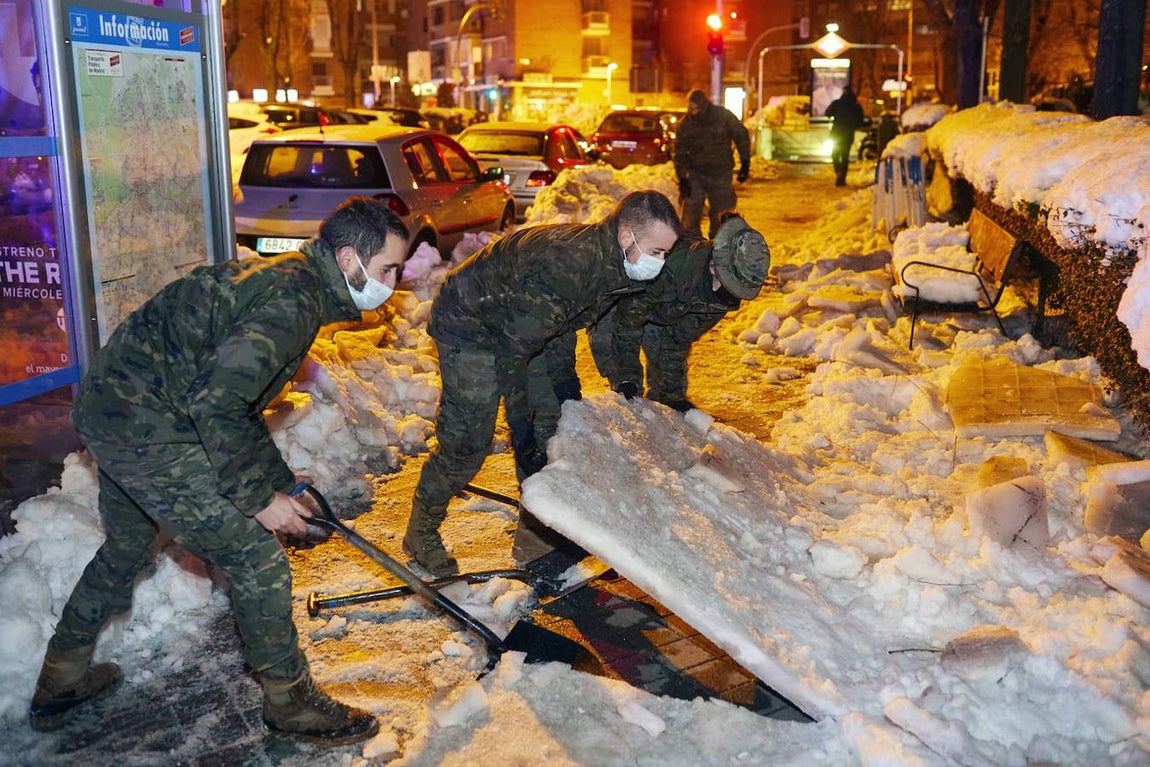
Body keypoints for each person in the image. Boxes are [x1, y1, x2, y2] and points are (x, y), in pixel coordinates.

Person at [29, 197, 409, 745]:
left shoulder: (294, 280)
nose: (393, 282)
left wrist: (281, 483)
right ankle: (291, 704)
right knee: (257, 558)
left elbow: (239, 406)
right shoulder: (293, 300)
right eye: (386, 269)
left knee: (128, 548)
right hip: (150, 427)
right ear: (349, 259)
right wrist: (258, 500)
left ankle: (58, 682)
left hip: (114, 411)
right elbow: (218, 404)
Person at [404, 190, 681, 576]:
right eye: (657, 251)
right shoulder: (569, 263)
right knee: (469, 442)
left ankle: (537, 544)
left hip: (523, 327)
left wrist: (569, 384)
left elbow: (564, 326)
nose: (660, 262)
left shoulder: (616, 265)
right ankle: (421, 533)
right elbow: (516, 353)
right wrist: (520, 430)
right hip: (471, 326)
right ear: (625, 237)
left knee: (551, 426)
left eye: (666, 253)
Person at [590, 213, 770, 412]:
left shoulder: (721, 297)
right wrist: (628, 376)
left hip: (660, 308)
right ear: (713, 267)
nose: (730, 294)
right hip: (616, 299)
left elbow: (678, 339)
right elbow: (627, 322)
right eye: (728, 284)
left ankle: (660, 409)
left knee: (663, 392)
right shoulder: (665, 267)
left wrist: (672, 395)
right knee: (626, 389)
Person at [673, 89, 752, 237]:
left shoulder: (722, 116)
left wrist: (745, 162)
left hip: (720, 172)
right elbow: (679, 152)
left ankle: (719, 245)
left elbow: (741, 135)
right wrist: (682, 178)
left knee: (723, 214)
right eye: (690, 108)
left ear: (704, 106)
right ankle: (693, 248)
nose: (693, 111)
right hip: (696, 173)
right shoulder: (685, 124)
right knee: (690, 215)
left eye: (696, 108)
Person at [825, 85, 865, 186]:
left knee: (835, 154)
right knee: (844, 155)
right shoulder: (856, 106)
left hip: (836, 133)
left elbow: (828, 113)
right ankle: (842, 176)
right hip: (848, 134)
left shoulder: (837, 103)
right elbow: (860, 120)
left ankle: (838, 172)